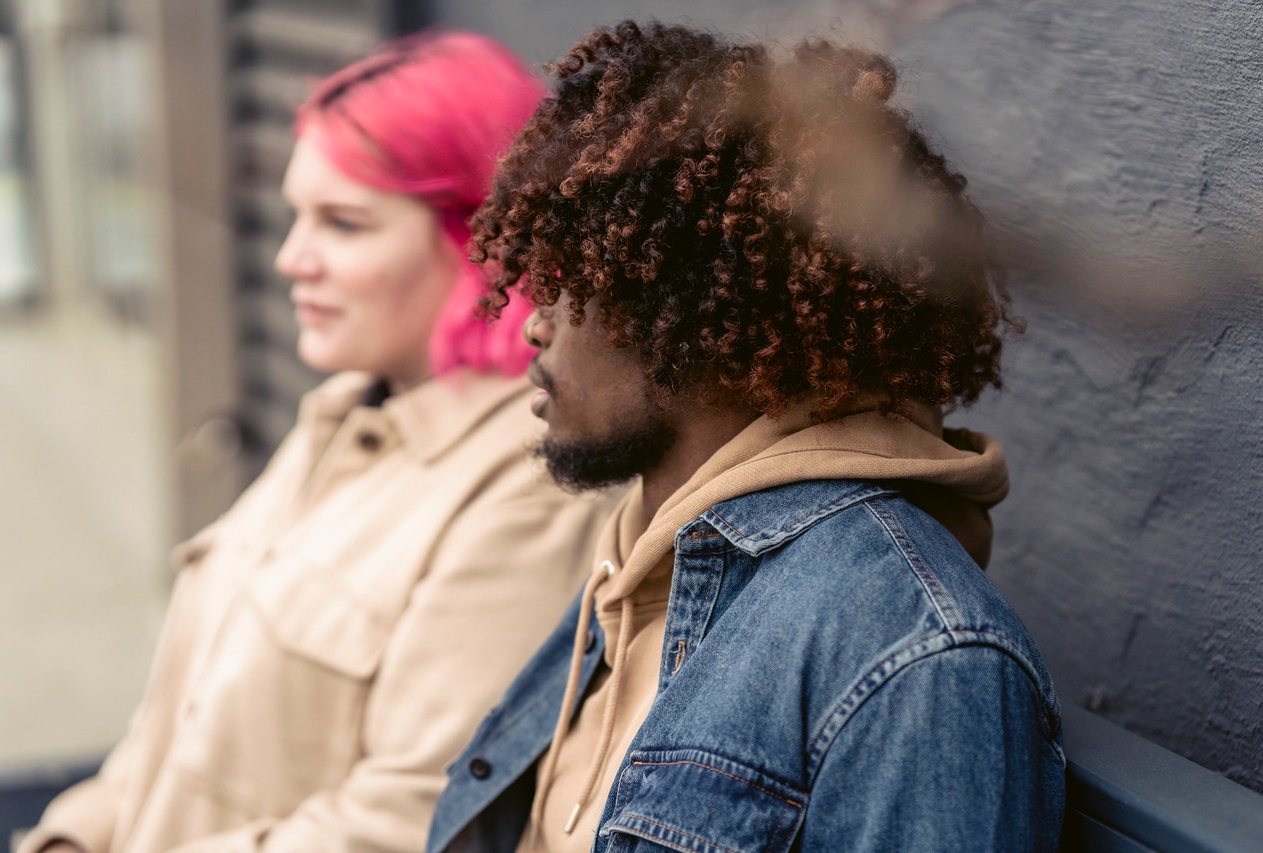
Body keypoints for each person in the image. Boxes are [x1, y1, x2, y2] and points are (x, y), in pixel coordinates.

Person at [427, 20, 1065, 852]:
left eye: (575, 281)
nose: (534, 326)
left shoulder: (923, 656)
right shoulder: (641, 565)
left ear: (695, 317)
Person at [22, 32, 614, 853]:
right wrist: (76, 834)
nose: (290, 258)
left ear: (484, 238)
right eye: (296, 215)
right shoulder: (346, 412)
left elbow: (408, 819)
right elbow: (179, 721)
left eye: (344, 223)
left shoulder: (530, 481)